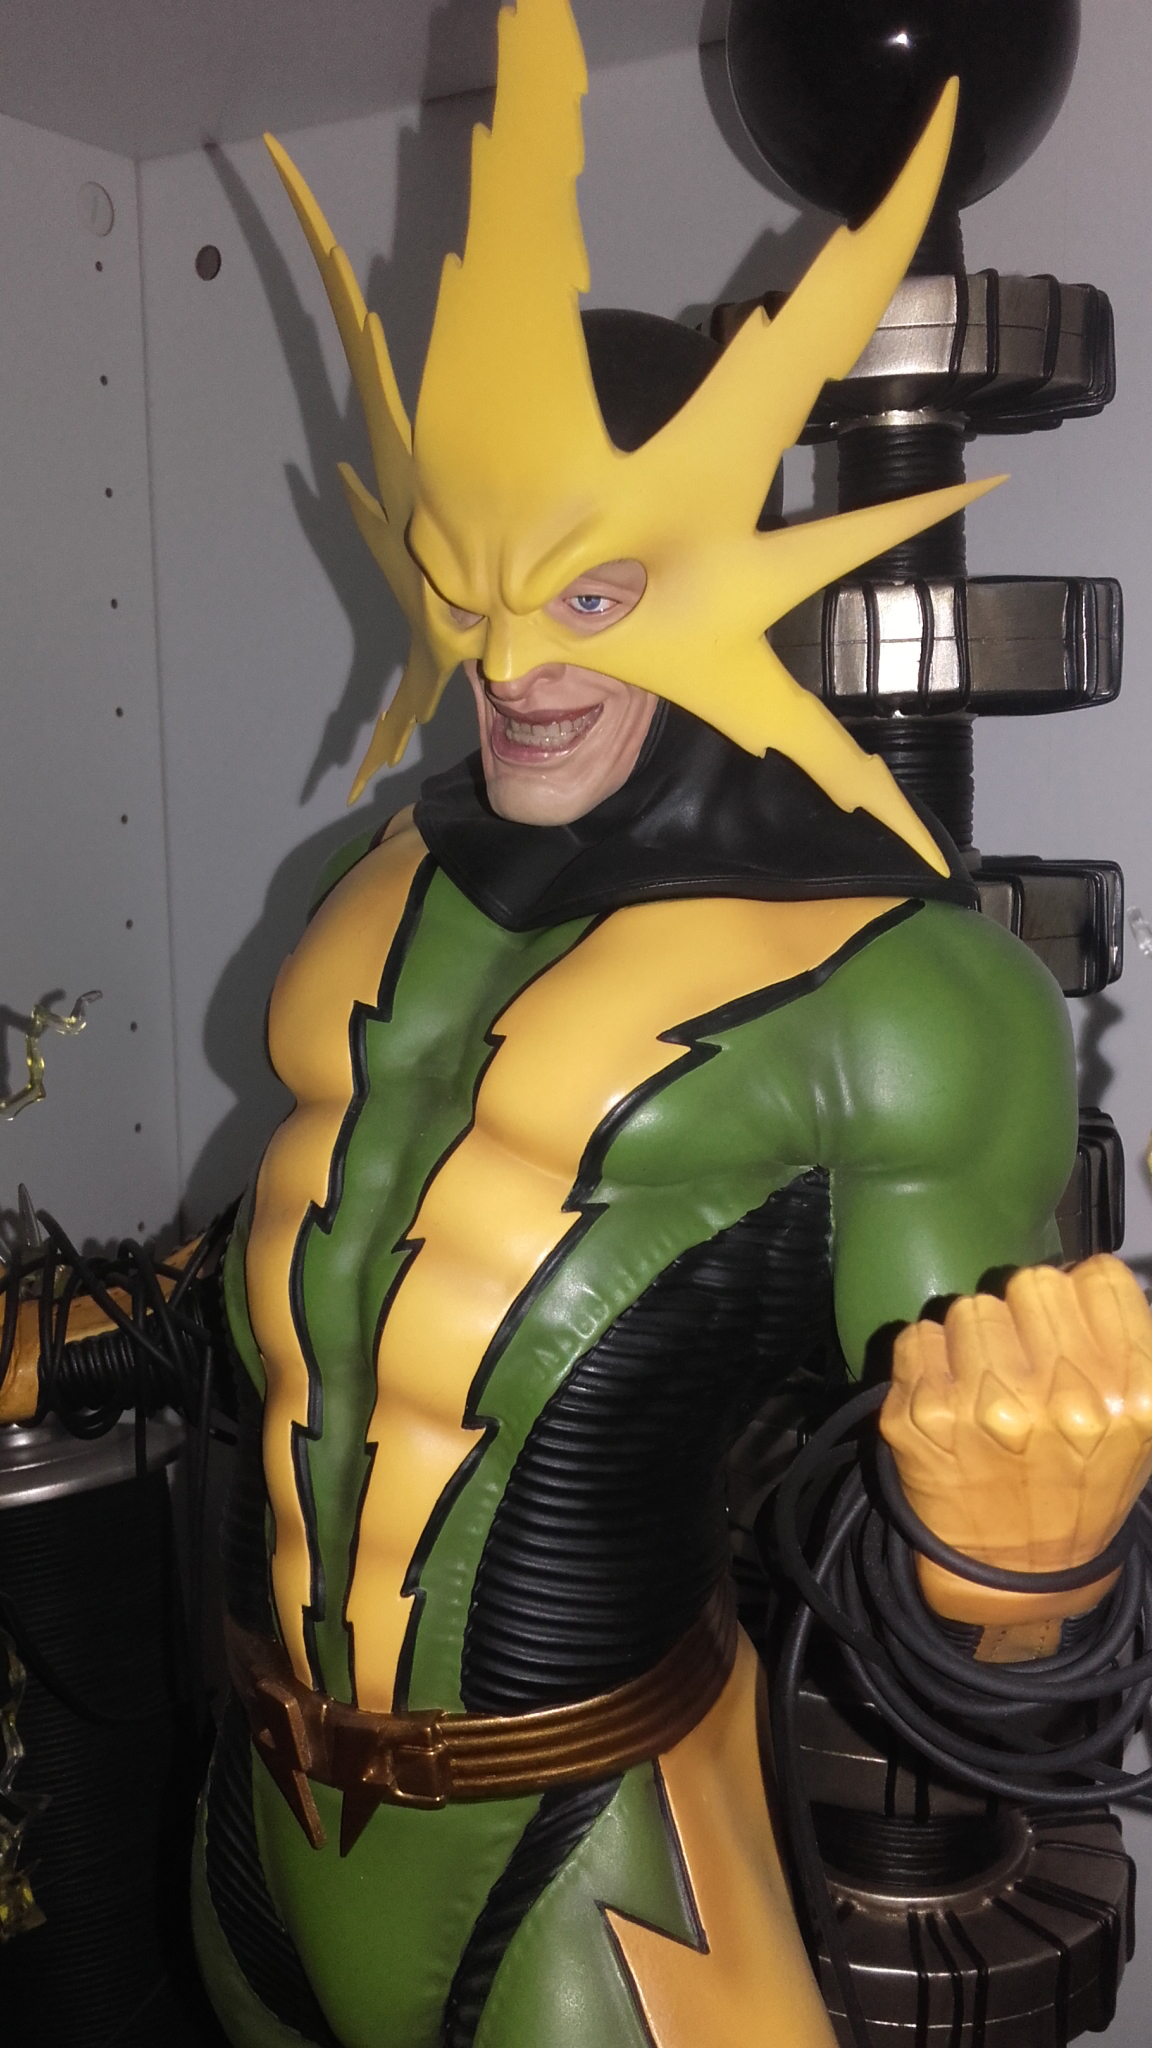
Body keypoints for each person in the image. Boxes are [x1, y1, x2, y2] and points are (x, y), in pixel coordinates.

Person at [5, 1, 1152, 2044]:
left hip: (586, 1865)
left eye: (591, 596)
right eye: (473, 590)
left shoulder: (902, 995)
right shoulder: (381, 879)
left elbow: (979, 1624)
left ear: (718, 580)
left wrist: (1032, 1562)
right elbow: (332, 1271)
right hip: (259, 1827)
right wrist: (76, 1335)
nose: (514, 662)